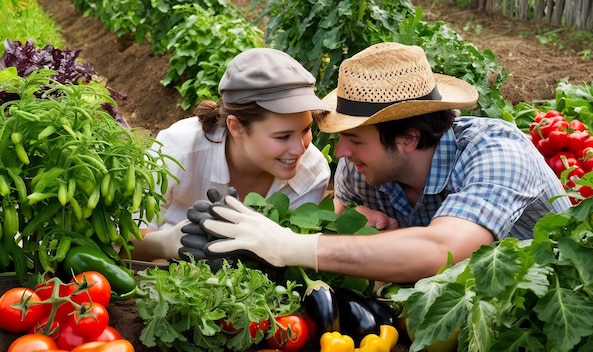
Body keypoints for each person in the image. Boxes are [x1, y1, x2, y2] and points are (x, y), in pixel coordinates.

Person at [192, 42, 573, 283]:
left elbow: (443, 248)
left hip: (547, 304)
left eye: (354, 139)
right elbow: (349, 225)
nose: (339, 153)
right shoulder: (362, 170)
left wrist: (292, 246)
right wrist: (353, 217)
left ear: (408, 139)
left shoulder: (497, 152)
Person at [130, 47, 332, 261]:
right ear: (235, 127)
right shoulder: (178, 150)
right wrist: (163, 244)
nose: (300, 148)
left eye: (306, 130)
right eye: (282, 137)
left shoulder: (312, 172)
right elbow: (118, 241)